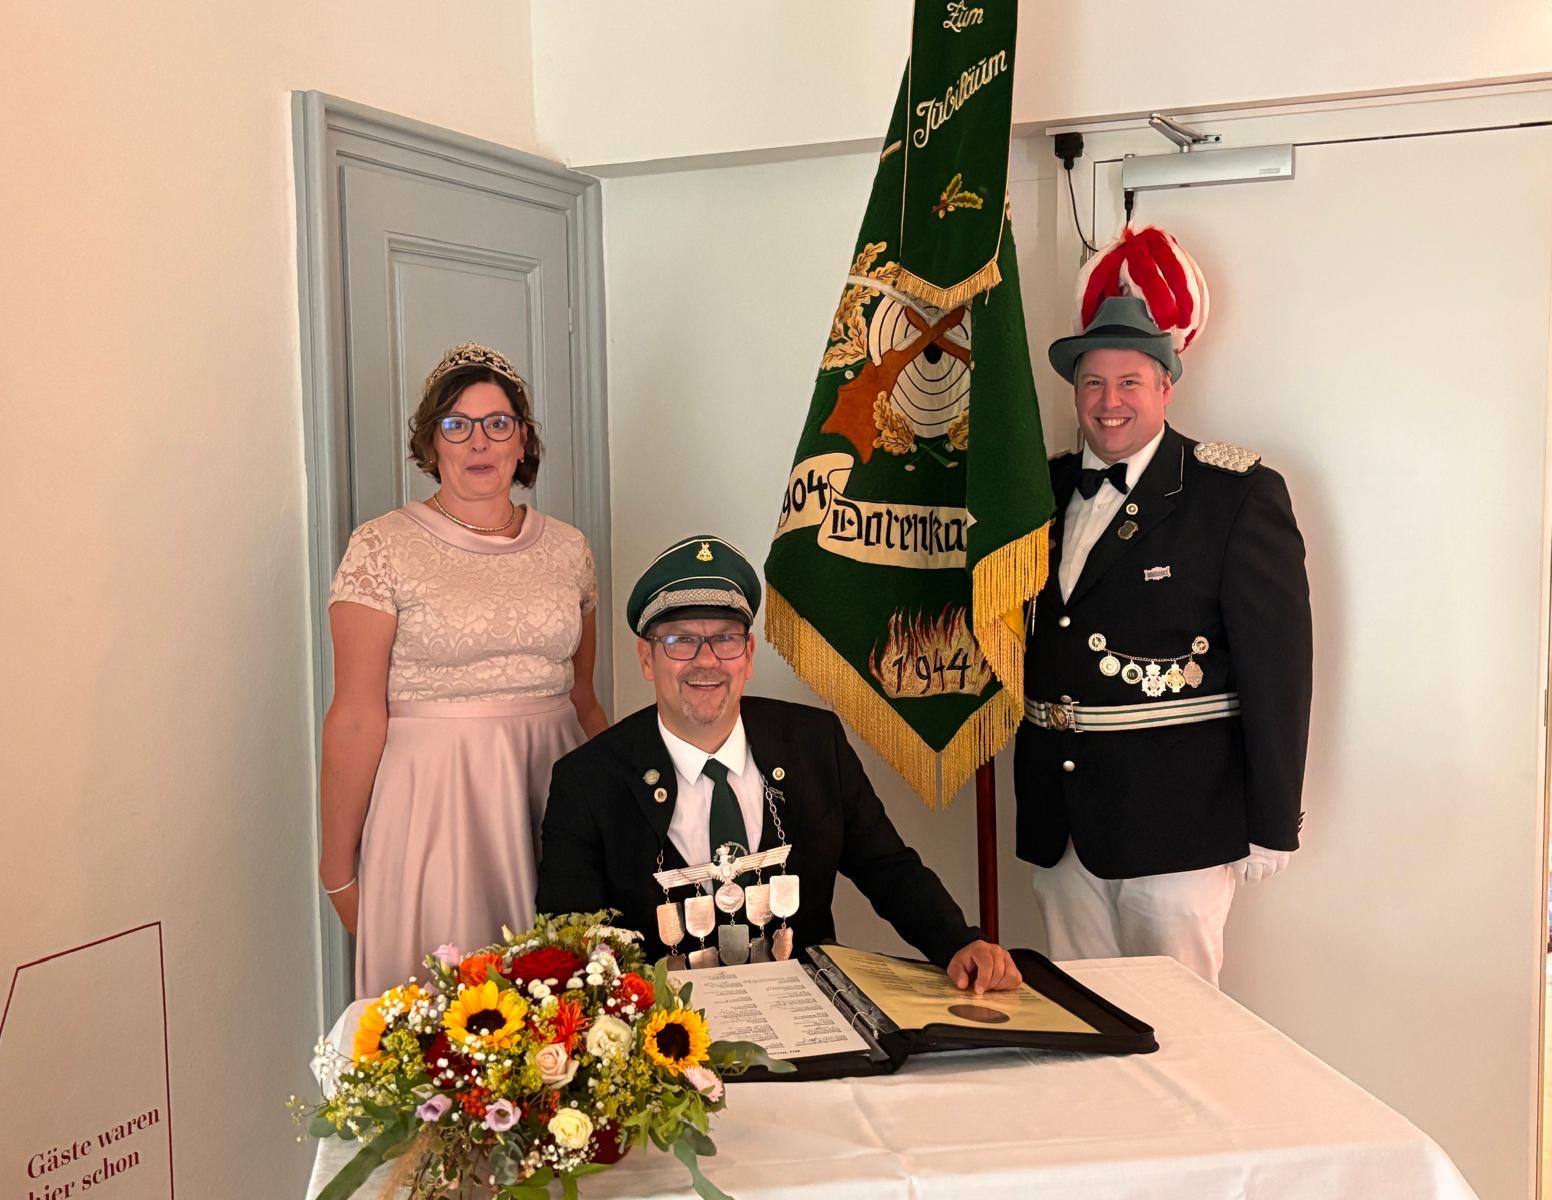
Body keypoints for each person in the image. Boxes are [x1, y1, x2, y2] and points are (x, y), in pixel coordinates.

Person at [538, 535, 1021, 993]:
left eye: (725, 639)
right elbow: (572, 938)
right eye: (680, 641)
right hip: (664, 1030)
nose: (706, 661)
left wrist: (958, 942)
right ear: (647, 658)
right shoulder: (588, 779)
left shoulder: (814, 744)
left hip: (807, 1011)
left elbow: (888, 869)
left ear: (748, 655)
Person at [1012, 295, 1312, 984]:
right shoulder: (1040, 491)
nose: (1109, 401)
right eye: (1092, 382)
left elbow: (1279, 669)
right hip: (1064, 825)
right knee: (1081, 1015)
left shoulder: (1232, 494)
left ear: (1165, 386)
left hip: (1180, 824)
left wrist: (1272, 819)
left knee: (1181, 1025)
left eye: (1129, 382)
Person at [319, 343, 609, 995]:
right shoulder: (382, 546)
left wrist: (631, 812)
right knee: (451, 1014)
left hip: (553, 793)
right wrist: (336, 869)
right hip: (433, 808)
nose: (479, 442)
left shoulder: (569, 548)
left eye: (497, 423)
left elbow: (584, 699)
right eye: (457, 424)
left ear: (522, 439)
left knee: (567, 1010)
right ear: (432, 442)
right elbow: (356, 717)